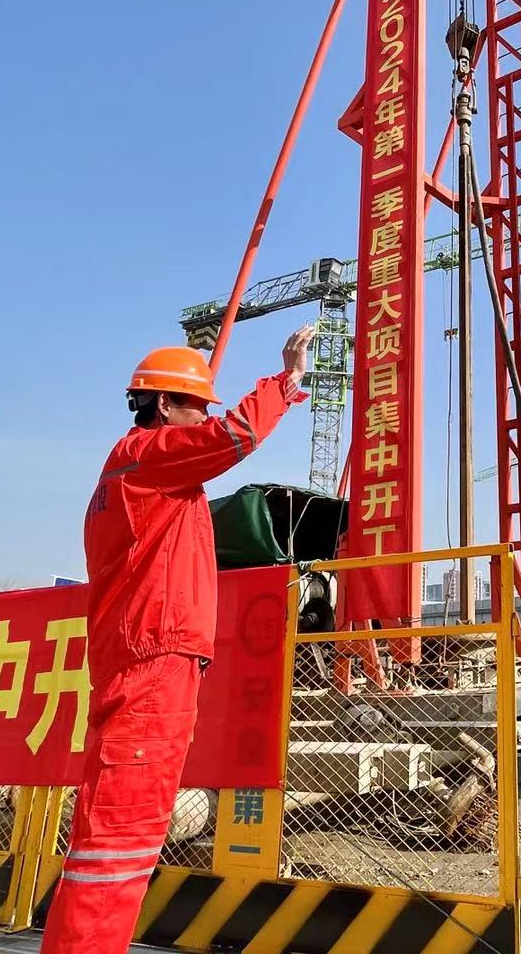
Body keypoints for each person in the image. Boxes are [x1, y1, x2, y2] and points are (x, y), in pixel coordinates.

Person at [39, 327, 313, 954]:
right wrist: (285, 381)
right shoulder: (150, 457)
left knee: (120, 839)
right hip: (153, 662)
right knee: (119, 839)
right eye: (197, 407)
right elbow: (234, 437)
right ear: (164, 405)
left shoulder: (139, 472)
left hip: (146, 658)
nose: (204, 418)